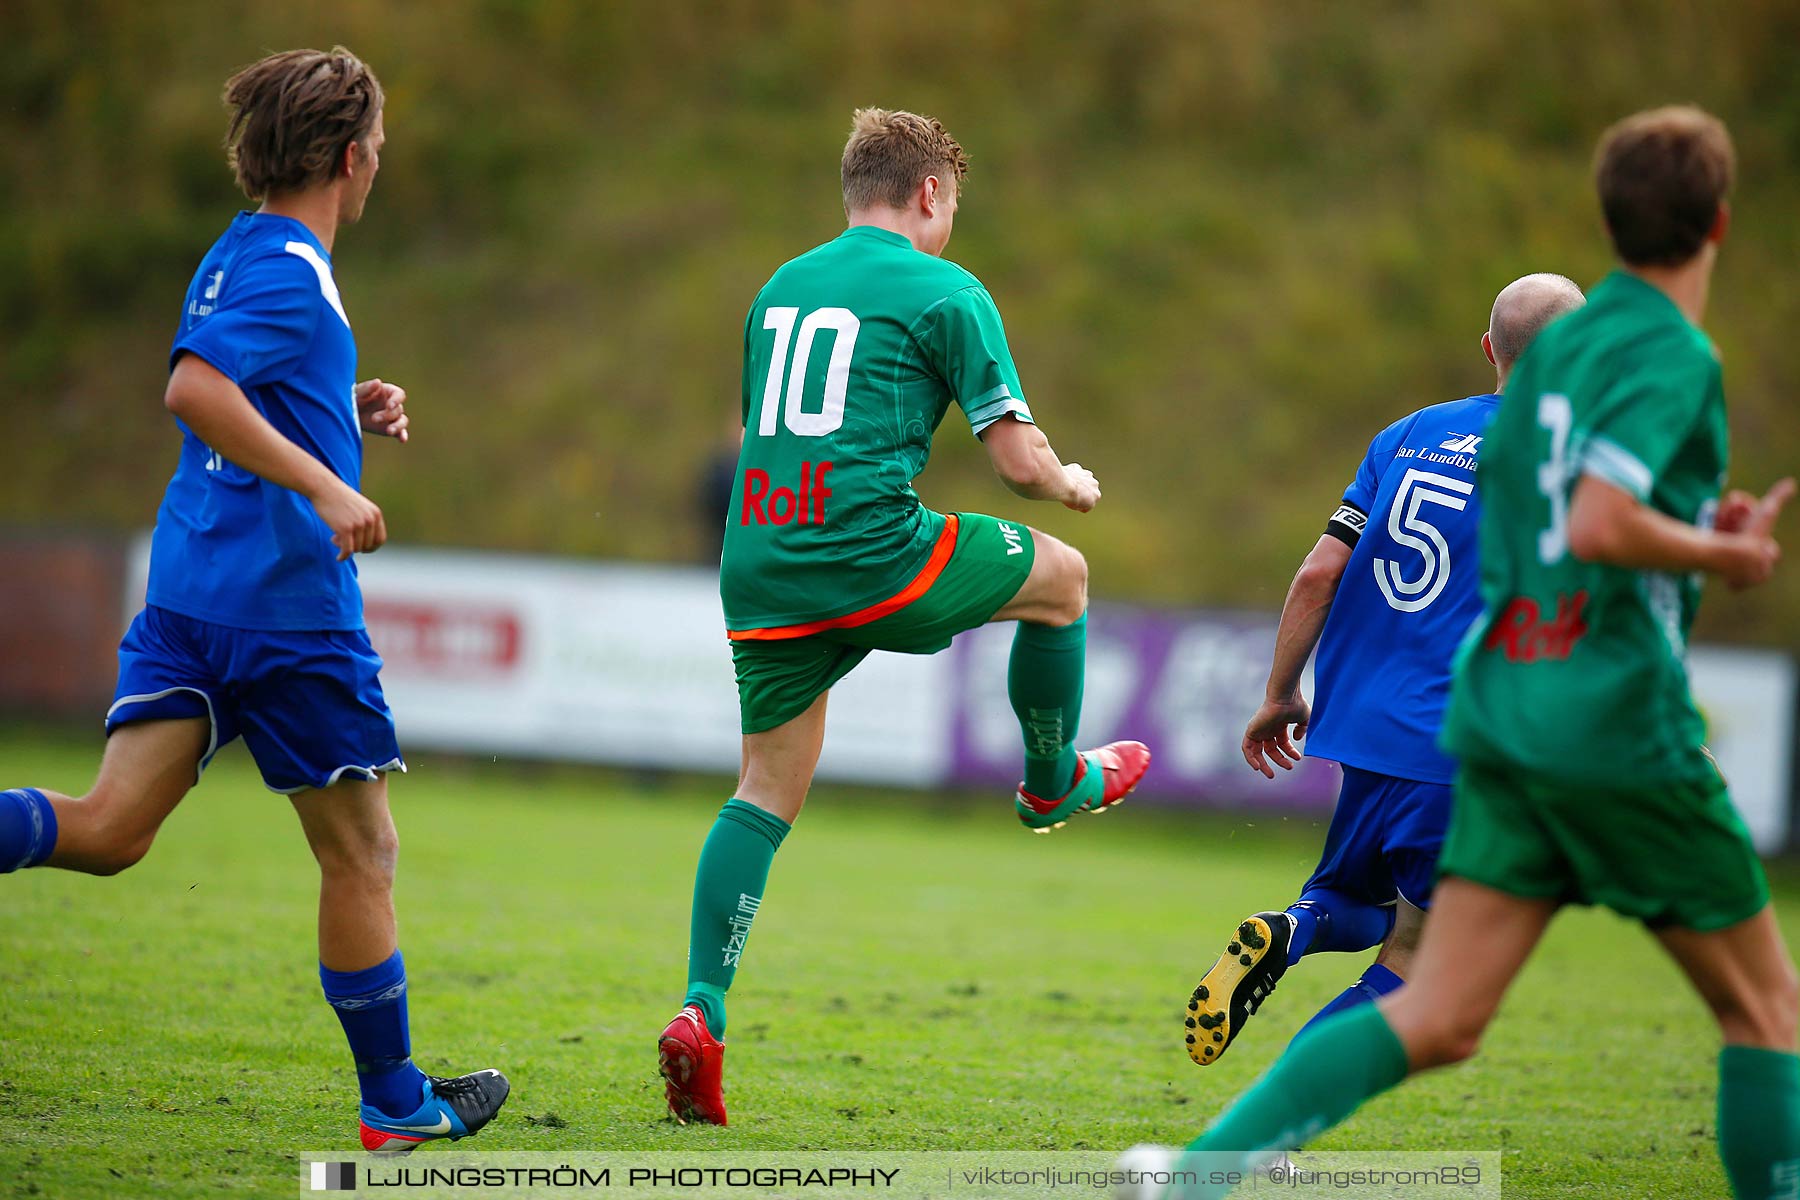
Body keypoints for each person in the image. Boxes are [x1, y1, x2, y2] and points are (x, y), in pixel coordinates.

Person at [1172, 106, 1797, 1200]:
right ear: (1719, 226)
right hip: (1609, 722)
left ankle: (1199, 1176)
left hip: (1494, 718)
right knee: (1765, 1009)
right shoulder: (1660, 352)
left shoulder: (1526, 382)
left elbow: (1540, 523)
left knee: (1438, 1008)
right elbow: (1600, 524)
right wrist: (1717, 553)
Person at [0, 48, 508, 1152]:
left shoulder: (241, 252)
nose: (377, 167)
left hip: (192, 590)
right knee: (361, 853)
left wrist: (337, 410)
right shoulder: (291, 266)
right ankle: (394, 1105)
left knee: (111, 830)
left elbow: (235, 383)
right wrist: (328, 481)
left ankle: (394, 1098)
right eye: (376, 150)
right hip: (283, 613)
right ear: (346, 154)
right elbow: (192, 386)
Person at [657, 108, 1151, 1126]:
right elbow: (1016, 464)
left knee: (763, 786)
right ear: (930, 194)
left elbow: (760, 430)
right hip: (869, 548)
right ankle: (1051, 784)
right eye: (954, 205)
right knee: (1064, 578)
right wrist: (1071, 483)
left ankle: (701, 1012)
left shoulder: (779, 286)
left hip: (760, 555)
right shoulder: (948, 290)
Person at [1185, 274, 1584, 1067]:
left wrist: (1278, 693)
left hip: (1365, 730)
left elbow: (1317, 575)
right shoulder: (1567, 469)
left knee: (1353, 901)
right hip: (1460, 746)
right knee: (1418, 958)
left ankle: (1291, 930)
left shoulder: (1408, 434)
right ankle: (1270, 1135)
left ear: (1489, 349)